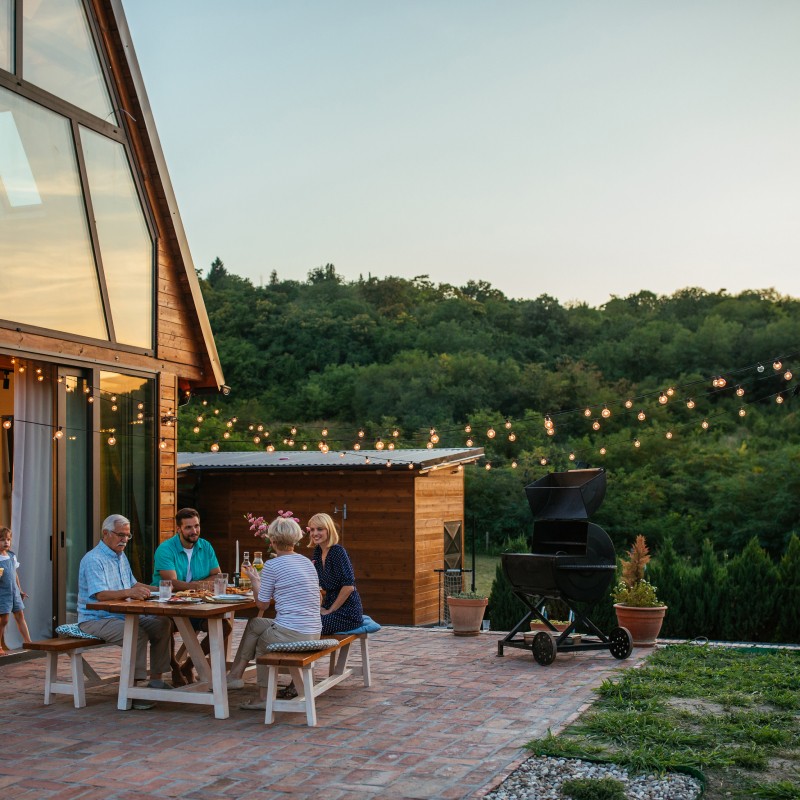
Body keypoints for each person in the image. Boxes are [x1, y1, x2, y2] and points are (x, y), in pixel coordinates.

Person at [226, 514, 321, 710]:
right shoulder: (305, 562)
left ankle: (263, 697)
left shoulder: (272, 565)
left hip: (292, 632)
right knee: (254, 624)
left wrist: (254, 580)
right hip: (313, 630)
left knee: (263, 642)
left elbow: (262, 605)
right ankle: (235, 675)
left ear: (272, 540)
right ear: (295, 538)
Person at [78, 514, 172, 707]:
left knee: (162, 623)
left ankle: (156, 680)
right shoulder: (93, 559)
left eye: (128, 536)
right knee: (136, 633)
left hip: (121, 615)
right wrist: (131, 592)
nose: (125, 540)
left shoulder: (120, 556)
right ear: (106, 533)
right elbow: (101, 595)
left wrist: (162, 589)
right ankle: (133, 690)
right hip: (95, 619)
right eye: (121, 535)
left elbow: (132, 583)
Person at [152, 507, 230, 684]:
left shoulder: (205, 546)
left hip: (196, 605)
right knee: (165, 626)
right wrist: (200, 586)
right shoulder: (165, 549)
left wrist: (194, 588)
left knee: (224, 627)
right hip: (168, 605)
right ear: (178, 528)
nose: (194, 531)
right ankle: (174, 667)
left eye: (196, 526)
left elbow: (217, 575)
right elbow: (171, 583)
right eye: (188, 527)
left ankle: (188, 665)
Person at [308, 512, 364, 635]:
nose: (315, 533)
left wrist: (330, 611)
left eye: (320, 529)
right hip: (329, 605)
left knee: (312, 627)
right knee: (302, 621)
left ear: (329, 530)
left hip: (347, 611)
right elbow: (317, 585)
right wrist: (319, 608)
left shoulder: (337, 552)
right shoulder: (317, 552)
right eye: (312, 529)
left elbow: (349, 587)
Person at [0, 526, 32, 654]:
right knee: (4, 620)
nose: (6, 542)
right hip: (3, 594)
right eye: (2, 540)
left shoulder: (12, 556)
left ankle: (29, 643)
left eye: (8, 539)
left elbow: (15, 574)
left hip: (14, 592)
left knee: (20, 616)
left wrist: (20, 590)